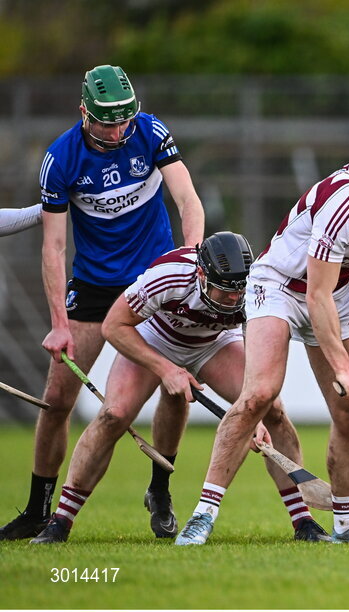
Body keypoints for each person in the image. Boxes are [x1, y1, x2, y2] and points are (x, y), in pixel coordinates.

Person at [174, 160, 349, 546]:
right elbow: (315, 296)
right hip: (282, 286)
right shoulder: (346, 205)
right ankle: (203, 515)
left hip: (334, 290)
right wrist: (342, 369)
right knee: (259, 394)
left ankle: (347, 524)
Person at [0, 65, 205, 541]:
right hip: (93, 285)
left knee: (174, 389)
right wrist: (59, 324)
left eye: (124, 120)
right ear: (84, 113)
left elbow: (188, 199)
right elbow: (53, 248)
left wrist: (188, 259)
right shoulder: (60, 158)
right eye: (106, 122)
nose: (117, 132)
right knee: (56, 401)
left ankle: (160, 489)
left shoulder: (150, 132)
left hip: (154, 279)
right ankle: (38, 509)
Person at [29, 233, 330, 543]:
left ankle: (303, 522)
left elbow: (257, 354)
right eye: (224, 291)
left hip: (213, 344)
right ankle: (60, 521)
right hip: (154, 338)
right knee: (114, 415)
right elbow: (113, 326)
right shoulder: (170, 276)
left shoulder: (254, 289)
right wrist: (167, 369)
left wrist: (254, 413)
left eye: (237, 291)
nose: (233, 299)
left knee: (274, 410)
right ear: (201, 274)